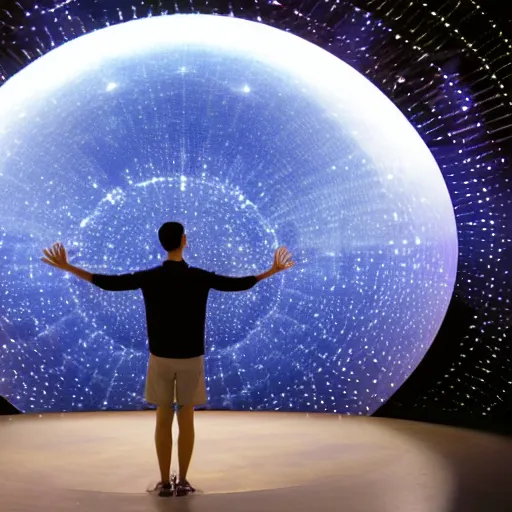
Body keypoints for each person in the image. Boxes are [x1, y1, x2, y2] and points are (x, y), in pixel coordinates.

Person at [41, 222, 295, 497]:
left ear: (162, 243)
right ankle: (183, 481)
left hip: (160, 358)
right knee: (186, 420)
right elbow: (237, 285)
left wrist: (68, 267)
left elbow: (108, 283)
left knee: (163, 419)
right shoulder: (198, 277)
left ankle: (164, 483)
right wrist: (272, 271)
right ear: (184, 240)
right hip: (191, 357)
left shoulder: (150, 278)